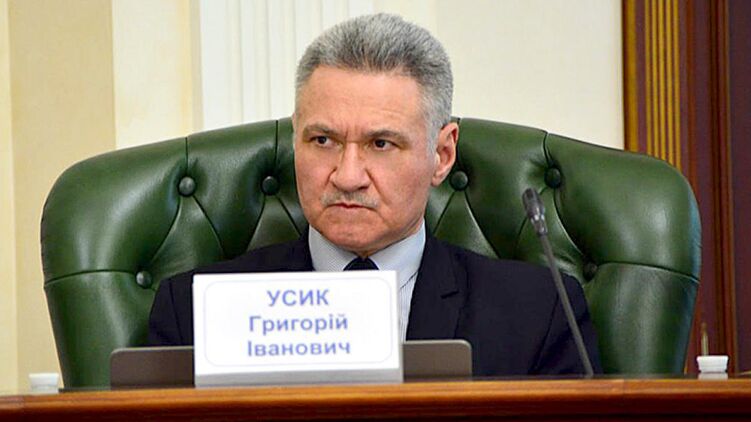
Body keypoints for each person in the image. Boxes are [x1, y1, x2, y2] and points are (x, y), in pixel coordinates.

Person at [148, 13, 601, 376]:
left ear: (442, 155)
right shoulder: (193, 311)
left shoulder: (538, 311)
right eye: (322, 140)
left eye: (381, 144)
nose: (347, 177)